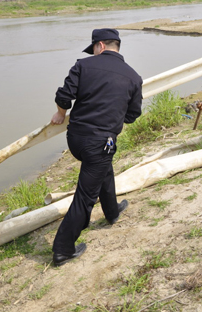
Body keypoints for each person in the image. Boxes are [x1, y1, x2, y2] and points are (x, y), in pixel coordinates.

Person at [50, 28, 143, 266]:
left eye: (93, 48)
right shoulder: (133, 77)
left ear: (99, 46)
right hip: (100, 142)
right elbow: (132, 115)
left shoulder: (83, 66)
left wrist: (61, 115)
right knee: (85, 197)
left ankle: (111, 212)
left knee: (103, 168)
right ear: (113, 46)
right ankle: (62, 250)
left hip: (76, 139)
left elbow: (64, 97)